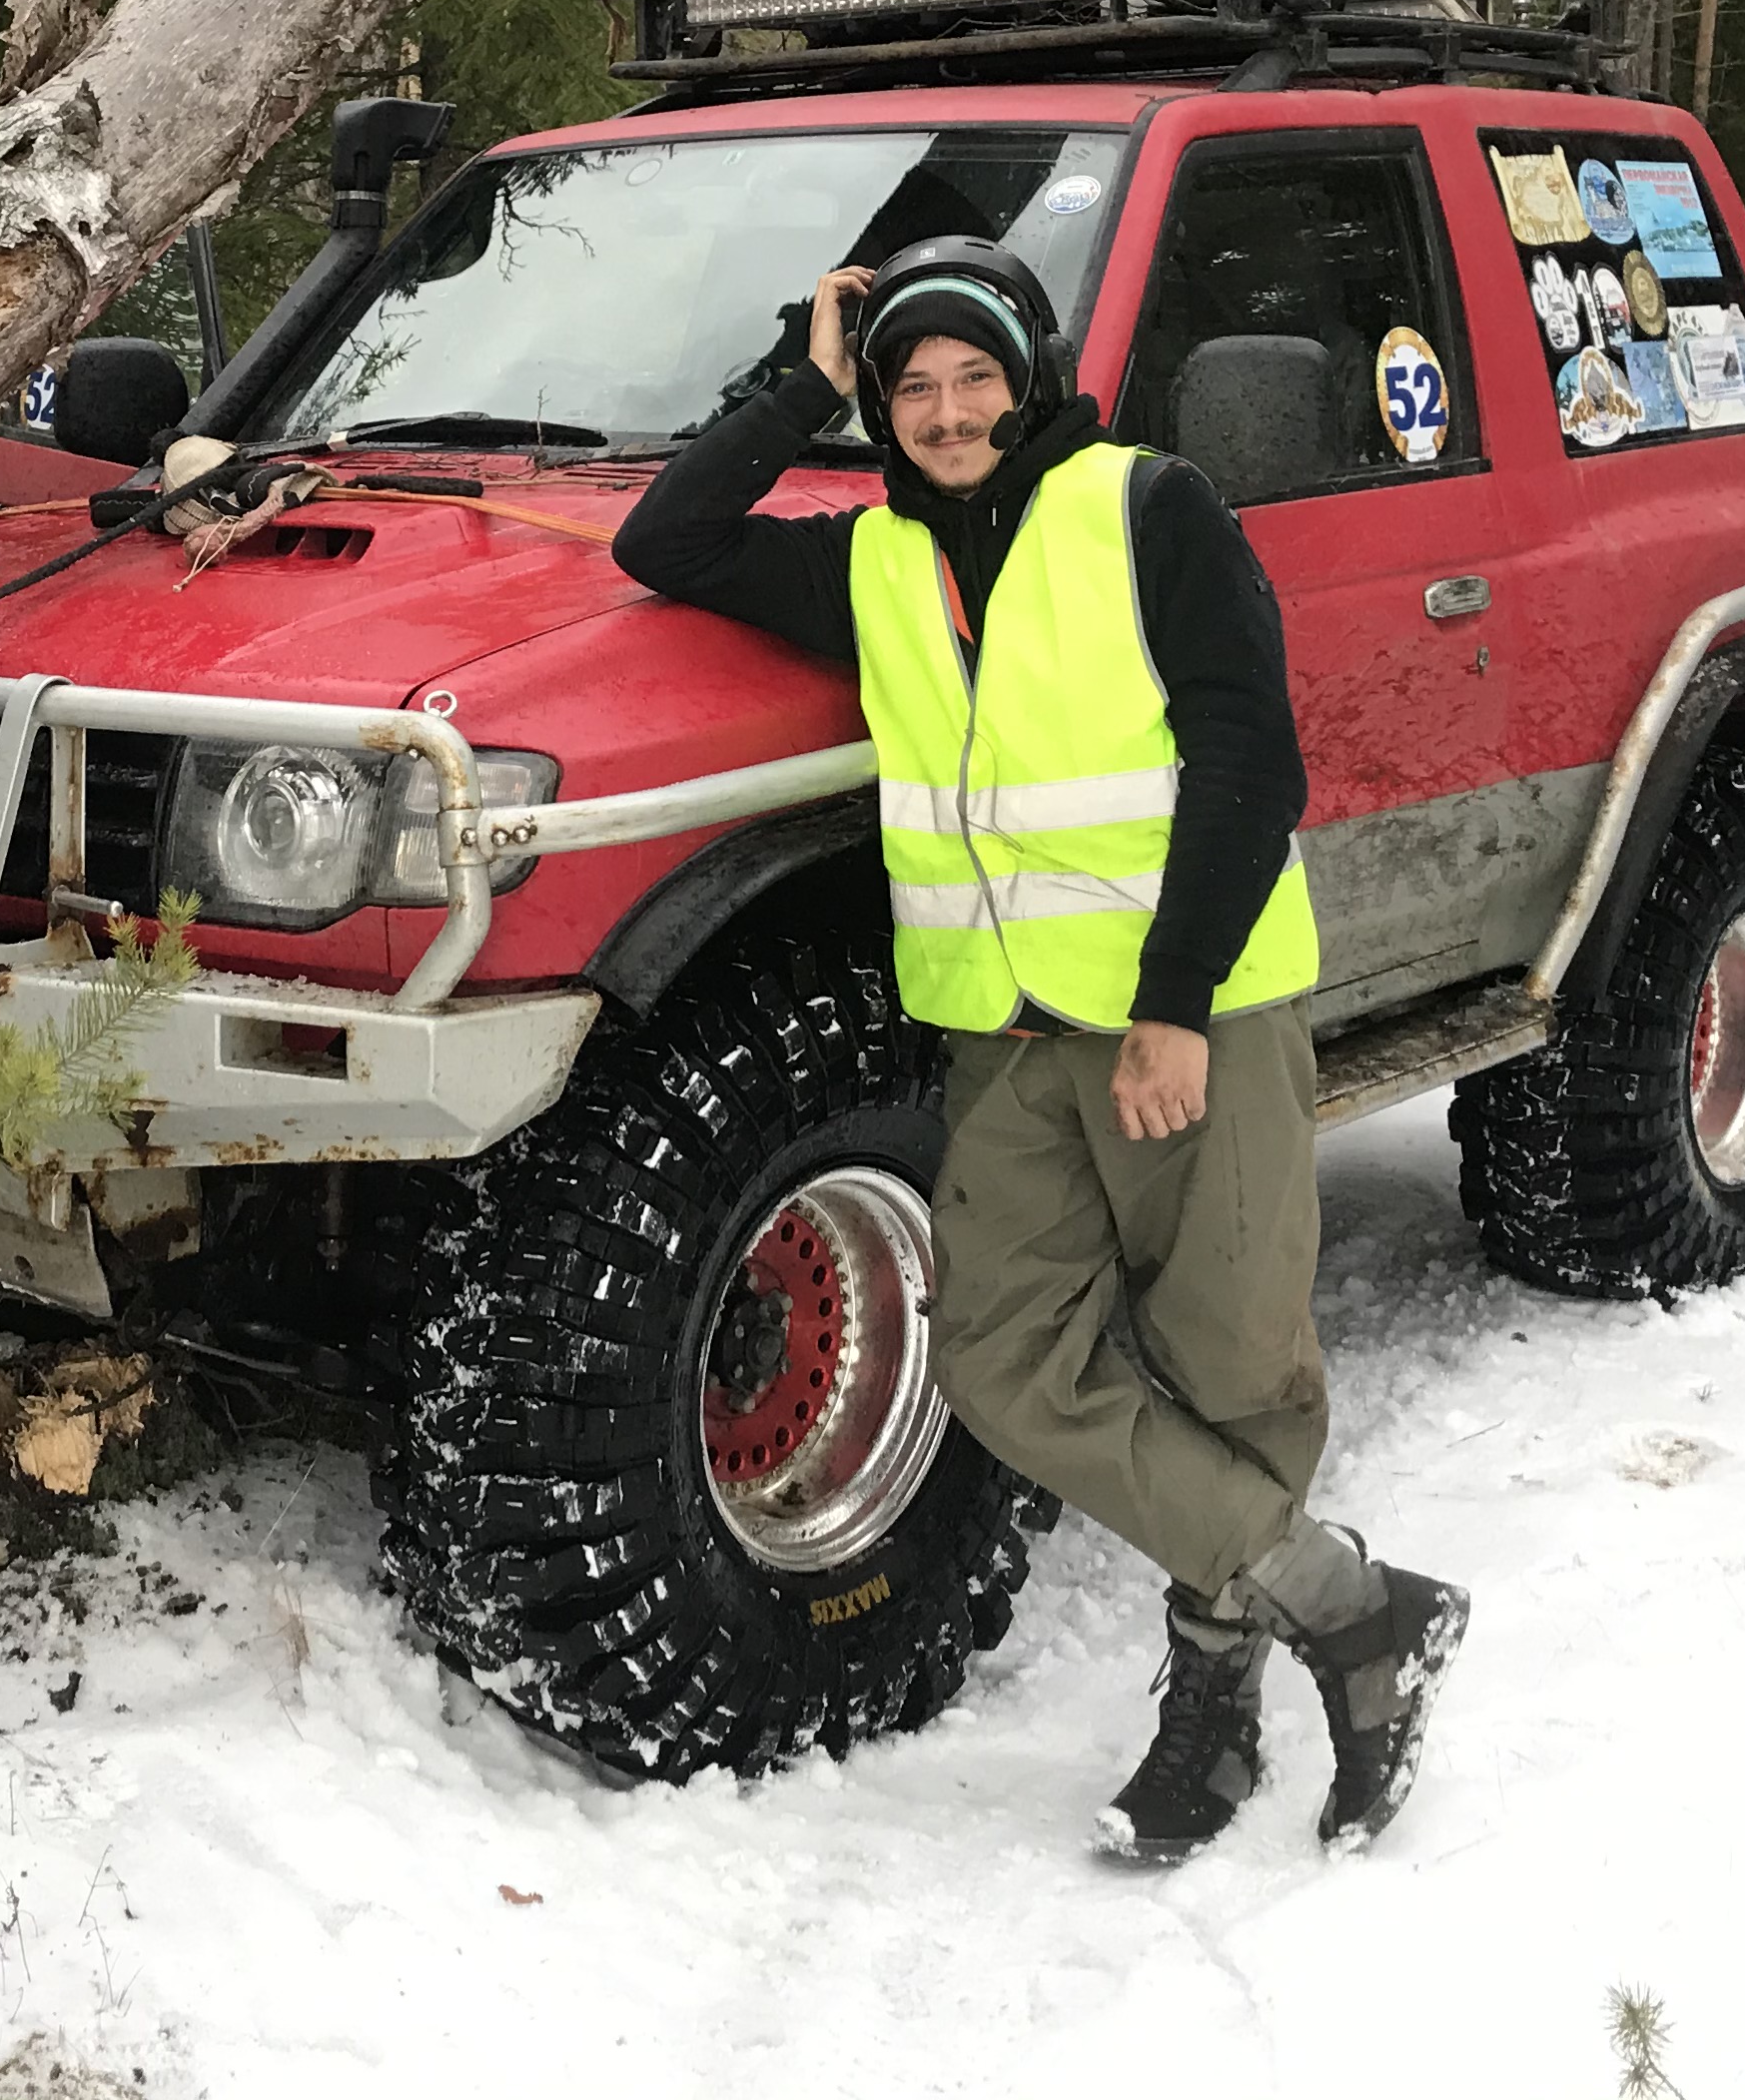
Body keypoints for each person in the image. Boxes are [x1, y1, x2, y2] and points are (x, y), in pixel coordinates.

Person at [612, 235, 1467, 1859]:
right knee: (1001, 1362)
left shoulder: (1149, 509)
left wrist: (1173, 1006)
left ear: (1034, 379)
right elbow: (670, 538)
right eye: (911, 389)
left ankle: (1214, 1712)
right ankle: (1351, 1606)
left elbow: (1249, 764)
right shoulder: (870, 562)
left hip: (1185, 1020)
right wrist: (803, 379)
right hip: (1003, 1038)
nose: (945, 415)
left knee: (1230, 1364)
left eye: (974, 380)